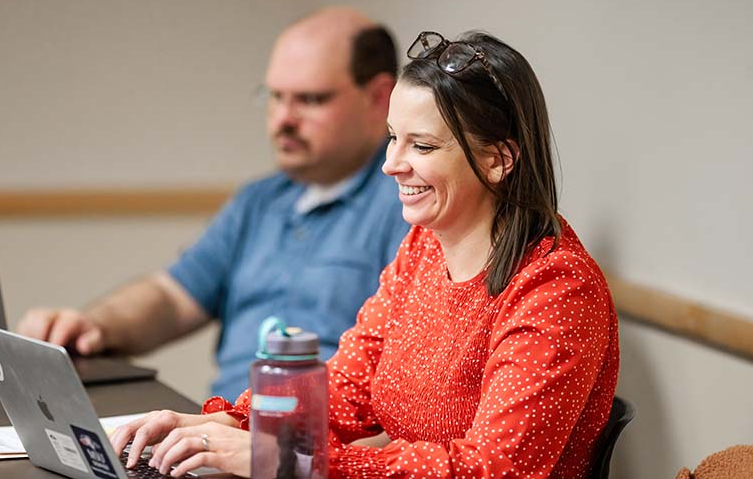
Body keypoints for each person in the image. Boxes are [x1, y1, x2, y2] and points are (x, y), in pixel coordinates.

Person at [110, 30, 620, 479]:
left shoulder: (556, 289)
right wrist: (223, 425)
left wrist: (287, 461)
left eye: (421, 146)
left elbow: (491, 470)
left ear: (497, 160)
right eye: (393, 138)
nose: (390, 165)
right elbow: (347, 389)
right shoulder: (423, 247)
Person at [16, 7, 409, 401]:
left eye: (309, 99)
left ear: (379, 98)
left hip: (316, 445)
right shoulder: (259, 202)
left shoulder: (408, 205)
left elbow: (407, 384)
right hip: (218, 433)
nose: (283, 119)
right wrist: (94, 325)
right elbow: (171, 298)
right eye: (274, 97)